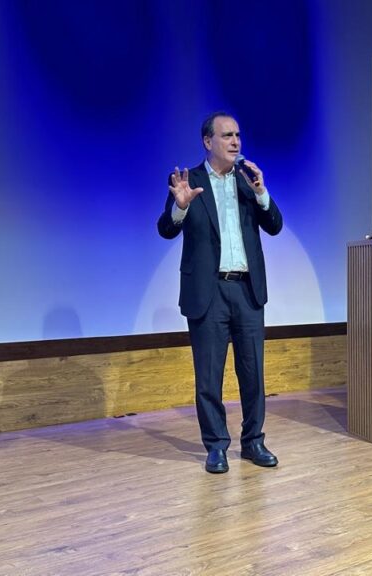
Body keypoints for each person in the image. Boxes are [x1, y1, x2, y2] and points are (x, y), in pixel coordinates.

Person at [157, 112, 284, 474]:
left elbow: (275, 226)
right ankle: (215, 445)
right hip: (208, 291)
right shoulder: (187, 181)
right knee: (209, 376)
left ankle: (253, 441)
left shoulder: (248, 181)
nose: (236, 142)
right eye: (227, 135)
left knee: (253, 372)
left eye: (238, 136)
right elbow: (165, 229)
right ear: (207, 141)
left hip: (246, 289)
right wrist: (180, 207)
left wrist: (261, 193)